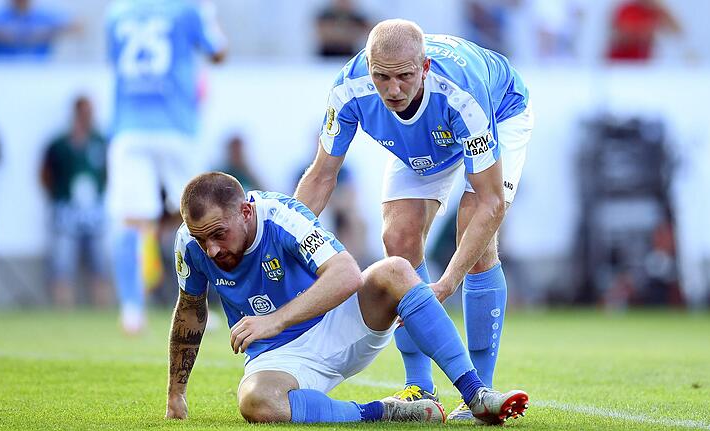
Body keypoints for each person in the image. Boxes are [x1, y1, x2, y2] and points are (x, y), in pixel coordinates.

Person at [294, 19, 533, 420]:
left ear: (423, 67)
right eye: (381, 77)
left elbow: (491, 203)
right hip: (424, 138)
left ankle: (480, 391)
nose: (393, 89)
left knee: (474, 231)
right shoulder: (347, 87)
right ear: (368, 66)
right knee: (399, 239)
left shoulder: (462, 94)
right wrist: (284, 246)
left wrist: (446, 283)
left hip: (500, 112)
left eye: (404, 76)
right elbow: (321, 175)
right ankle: (419, 386)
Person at [165, 172, 529, 424]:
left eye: (218, 234)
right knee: (256, 401)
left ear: (245, 212)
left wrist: (275, 320)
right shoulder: (190, 243)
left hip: (339, 323)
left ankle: (475, 394)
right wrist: (176, 394)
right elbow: (190, 311)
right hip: (278, 358)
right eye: (201, 239)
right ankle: (385, 412)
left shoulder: (283, 217)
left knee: (396, 270)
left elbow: (346, 274)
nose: (210, 250)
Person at [105, 0, 226, 334]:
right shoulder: (188, 7)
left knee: (131, 219)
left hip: (129, 125)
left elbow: (115, 61)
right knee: (201, 216)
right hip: (177, 126)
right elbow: (218, 51)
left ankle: (132, 310)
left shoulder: (117, 11)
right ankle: (199, 304)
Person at [40, 95, 110, 308]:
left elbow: (110, 172)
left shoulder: (101, 142)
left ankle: (102, 308)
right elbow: (45, 173)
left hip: (94, 211)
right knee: (62, 262)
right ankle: (63, 308)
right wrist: (56, 197)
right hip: (67, 210)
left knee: (100, 262)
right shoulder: (59, 144)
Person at [0, 0, 76, 59]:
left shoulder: (43, 15)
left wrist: (45, 33)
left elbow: (77, 27)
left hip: (37, 71)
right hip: (0, 70)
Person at [606, 0, 682, 62]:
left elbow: (677, 31)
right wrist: (644, 30)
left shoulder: (655, 13)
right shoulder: (627, 9)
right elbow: (620, 35)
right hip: (620, 63)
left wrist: (662, 10)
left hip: (642, 65)